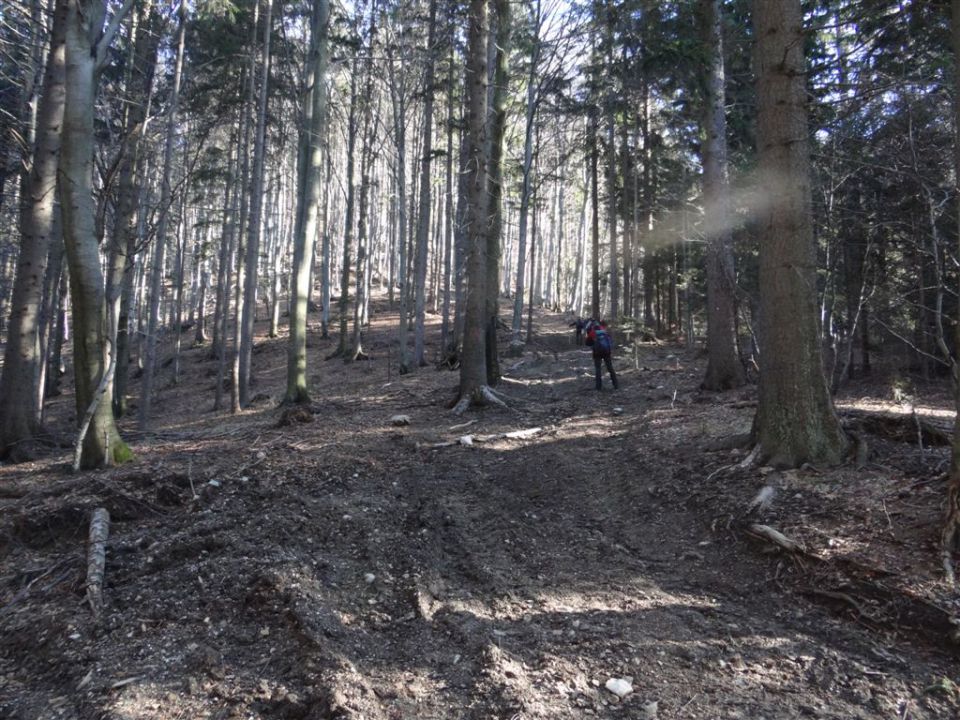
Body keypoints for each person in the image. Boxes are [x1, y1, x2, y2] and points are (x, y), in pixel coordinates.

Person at [588, 320, 618, 391]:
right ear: (605, 326)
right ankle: (616, 384)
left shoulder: (593, 332)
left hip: (597, 353)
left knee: (598, 369)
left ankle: (598, 387)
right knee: (610, 368)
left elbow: (587, 342)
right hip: (606, 352)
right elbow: (610, 342)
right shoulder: (605, 332)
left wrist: (593, 344)